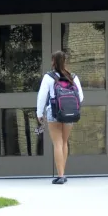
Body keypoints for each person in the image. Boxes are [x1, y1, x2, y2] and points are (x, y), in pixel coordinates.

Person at [36, 50, 84, 185]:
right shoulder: (73, 77)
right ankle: (63, 173)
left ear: (53, 61)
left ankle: (60, 175)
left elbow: (41, 97)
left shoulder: (49, 77)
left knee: (57, 143)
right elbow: (80, 97)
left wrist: (39, 114)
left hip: (54, 112)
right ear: (65, 62)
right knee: (64, 142)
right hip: (69, 112)